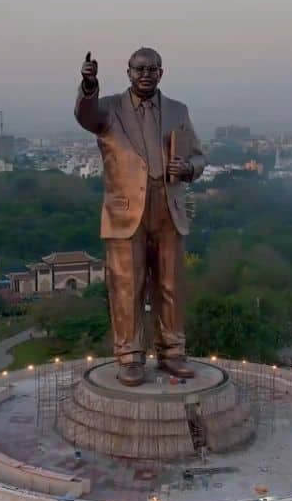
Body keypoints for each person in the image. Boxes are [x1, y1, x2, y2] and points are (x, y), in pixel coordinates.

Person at [74, 47, 205, 386]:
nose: (146, 74)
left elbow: (199, 156)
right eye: (139, 69)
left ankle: (172, 352)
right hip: (125, 212)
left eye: (152, 69)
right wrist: (89, 85)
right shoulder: (109, 108)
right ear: (128, 72)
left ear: (162, 72)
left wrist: (189, 168)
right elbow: (85, 115)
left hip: (168, 207)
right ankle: (130, 356)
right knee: (127, 287)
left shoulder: (178, 110)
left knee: (171, 284)